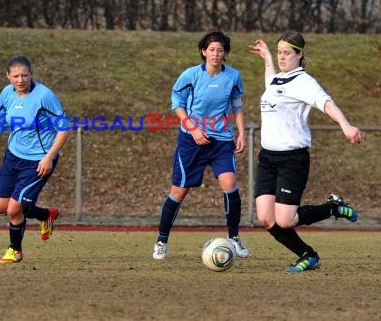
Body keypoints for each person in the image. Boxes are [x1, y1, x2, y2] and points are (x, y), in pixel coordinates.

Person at [249, 31, 362, 273]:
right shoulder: (278, 79)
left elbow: (326, 103)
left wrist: (346, 126)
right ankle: (307, 255)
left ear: (300, 55)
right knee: (267, 219)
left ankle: (332, 208)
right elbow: (271, 81)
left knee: (285, 220)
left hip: (292, 159)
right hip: (267, 158)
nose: (282, 57)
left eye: (287, 53)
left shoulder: (304, 82)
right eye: (280, 52)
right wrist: (267, 56)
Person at [152, 31, 249, 261]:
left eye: (221, 50)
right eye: (212, 49)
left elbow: (237, 105)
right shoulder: (190, 75)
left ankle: (234, 238)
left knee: (230, 183)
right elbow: (177, 104)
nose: (216, 54)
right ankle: (161, 240)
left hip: (221, 141)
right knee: (179, 191)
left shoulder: (233, 76)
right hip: (192, 141)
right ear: (204, 51)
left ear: (225, 53)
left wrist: (242, 133)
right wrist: (194, 129)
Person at [0, 55, 70, 264]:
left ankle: (15, 250)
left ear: (31, 74)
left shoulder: (44, 96)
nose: (20, 80)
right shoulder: (7, 94)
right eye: (15, 76)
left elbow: (64, 129)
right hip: (13, 157)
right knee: (0, 207)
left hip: (38, 160)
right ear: (8, 76)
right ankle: (45, 214)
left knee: (14, 210)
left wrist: (49, 157)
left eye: (24, 75)